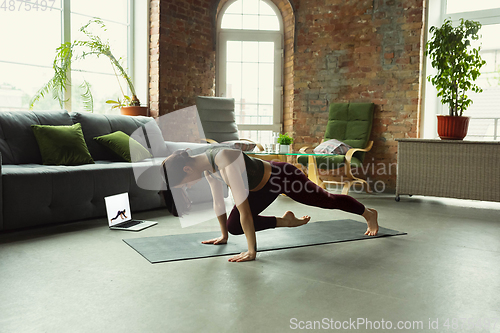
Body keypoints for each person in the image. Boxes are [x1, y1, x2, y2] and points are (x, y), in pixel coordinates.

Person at [161, 146, 379, 263]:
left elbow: (245, 210)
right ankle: (286, 221)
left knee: (326, 200)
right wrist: (224, 236)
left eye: (184, 183)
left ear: (187, 170)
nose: (187, 186)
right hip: (261, 190)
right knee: (234, 226)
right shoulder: (206, 168)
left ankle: (368, 213)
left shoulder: (224, 160)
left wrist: (251, 251)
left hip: (281, 177)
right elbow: (219, 201)